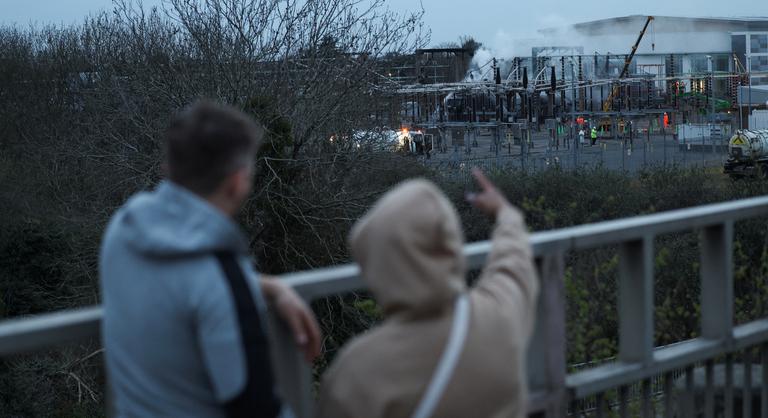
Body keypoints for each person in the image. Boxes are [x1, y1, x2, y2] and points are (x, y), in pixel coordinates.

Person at [99, 101, 321, 418]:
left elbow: (178, 282)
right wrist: (246, 287)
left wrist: (268, 286)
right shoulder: (221, 277)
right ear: (237, 182)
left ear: (169, 168)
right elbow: (257, 409)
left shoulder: (123, 229)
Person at [317, 169, 539, 418]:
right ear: (451, 246)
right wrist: (505, 213)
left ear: (374, 264)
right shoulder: (500, 316)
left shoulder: (356, 374)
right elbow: (512, 262)